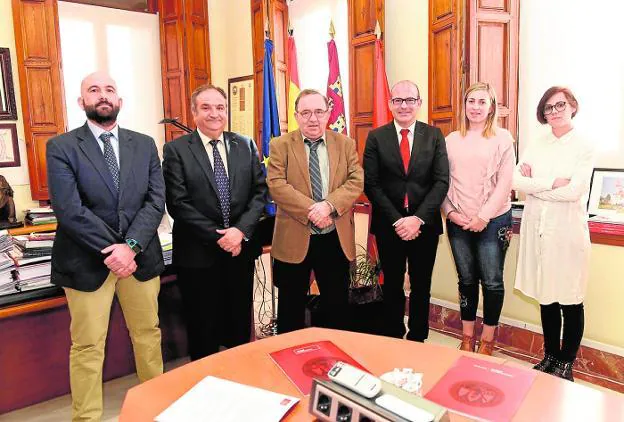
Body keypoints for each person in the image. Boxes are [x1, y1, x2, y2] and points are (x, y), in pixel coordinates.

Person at [46, 72, 165, 421]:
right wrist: (115, 251)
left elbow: (155, 201)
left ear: (120, 101)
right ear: (81, 101)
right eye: (93, 90)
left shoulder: (144, 144)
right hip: (86, 262)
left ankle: (154, 407)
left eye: (109, 89)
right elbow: (69, 209)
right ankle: (86, 417)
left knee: (147, 335)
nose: (102, 95)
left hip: (139, 259)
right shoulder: (62, 147)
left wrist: (129, 246)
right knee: (87, 346)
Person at [162, 84, 267, 361]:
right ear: (194, 112)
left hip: (239, 253)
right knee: (202, 328)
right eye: (206, 107)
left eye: (220, 107)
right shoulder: (176, 150)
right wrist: (221, 236)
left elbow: (259, 193)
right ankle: (207, 387)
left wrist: (240, 231)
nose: (214, 114)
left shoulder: (245, 144)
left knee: (238, 325)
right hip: (198, 255)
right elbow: (178, 203)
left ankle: (239, 378)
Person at [513, 86, 595, 381]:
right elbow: (516, 179)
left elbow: (574, 192)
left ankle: (566, 362)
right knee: (546, 295)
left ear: (573, 106)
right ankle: (549, 355)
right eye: (548, 108)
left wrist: (538, 186)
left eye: (560, 105)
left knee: (570, 298)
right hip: (538, 229)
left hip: (567, 232)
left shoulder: (584, 145)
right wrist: (552, 183)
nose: (554, 112)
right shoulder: (537, 142)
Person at [267, 89, 364, 333]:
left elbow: (355, 181)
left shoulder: (345, 144)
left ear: (329, 114)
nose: (313, 118)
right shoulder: (280, 145)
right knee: (290, 310)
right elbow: (276, 185)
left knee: (337, 308)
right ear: (297, 116)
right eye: (306, 112)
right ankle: (289, 362)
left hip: (334, 238)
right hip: (294, 239)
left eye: (319, 112)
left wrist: (328, 206)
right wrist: (313, 210)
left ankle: (335, 361)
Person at [363, 80, 449, 342]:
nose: (404, 106)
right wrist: (399, 221)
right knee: (391, 285)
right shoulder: (376, 137)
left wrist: (418, 219)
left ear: (419, 104)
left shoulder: (434, 136)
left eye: (410, 100)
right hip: (390, 225)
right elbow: (372, 184)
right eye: (398, 100)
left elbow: (441, 181)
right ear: (390, 104)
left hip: (425, 224)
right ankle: (392, 335)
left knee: (422, 286)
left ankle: (418, 337)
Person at [442, 82, 515, 355]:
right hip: (458, 220)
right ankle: (467, 337)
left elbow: (505, 183)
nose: (475, 107)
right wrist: (450, 212)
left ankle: (487, 341)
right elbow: (441, 182)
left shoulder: (503, 139)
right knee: (466, 281)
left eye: (482, 102)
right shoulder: (450, 140)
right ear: (464, 105)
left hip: (494, 220)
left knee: (492, 282)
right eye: (471, 101)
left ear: (491, 107)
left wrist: (483, 217)